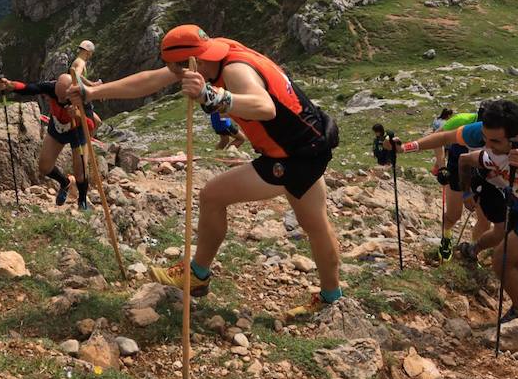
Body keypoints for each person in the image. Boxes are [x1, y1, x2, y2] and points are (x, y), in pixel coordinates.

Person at [73, 25, 342, 315]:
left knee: (213, 196)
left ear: (193, 62)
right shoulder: (216, 52)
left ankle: (197, 275)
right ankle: (332, 298)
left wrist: (212, 96)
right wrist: (93, 92)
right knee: (315, 223)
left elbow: (265, 107)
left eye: (176, 68)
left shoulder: (236, 71)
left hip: (293, 156)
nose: (173, 74)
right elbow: (150, 81)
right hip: (311, 141)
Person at [392, 99, 518, 326]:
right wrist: (405, 148)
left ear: (515, 138)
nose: (486, 144)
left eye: (494, 141)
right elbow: (445, 137)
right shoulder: (485, 134)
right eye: (484, 137)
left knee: (501, 260)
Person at [0, 72, 98, 210]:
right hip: (58, 127)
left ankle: (82, 202)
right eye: (57, 96)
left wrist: (79, 115)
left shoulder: (81, 96)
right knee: (44, 167)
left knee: (80, 172)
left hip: (77, 130)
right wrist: (11, 85)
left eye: (64, 98)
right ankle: (65, 182)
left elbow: (91, 125)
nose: (60, 101)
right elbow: (30, 88)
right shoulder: (51, 87)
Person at [434, 109, 479, 261]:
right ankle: (446, 238)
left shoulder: (501, 127)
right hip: (456, 170)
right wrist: (441, 167)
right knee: (454, 215)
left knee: (485, 218)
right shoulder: (462, 120)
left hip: (482, 173)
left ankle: (473, 252)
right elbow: (436, 138)